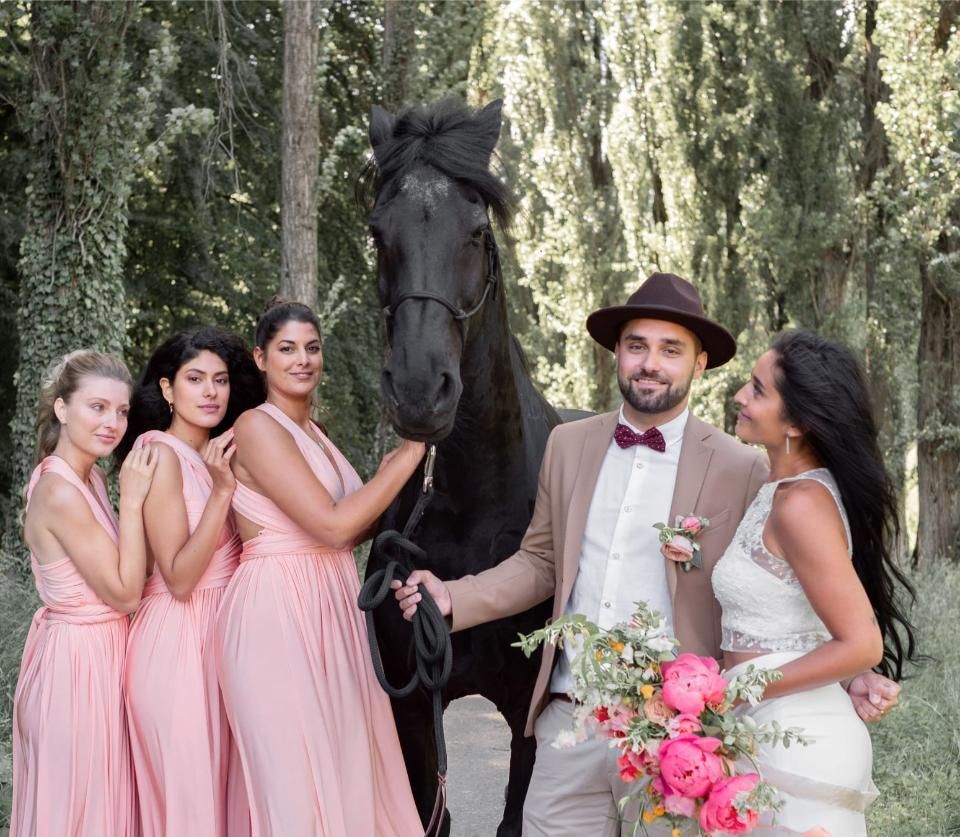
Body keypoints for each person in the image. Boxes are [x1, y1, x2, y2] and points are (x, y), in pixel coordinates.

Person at [393, 273, 901, 837]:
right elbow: (540, 562)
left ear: (699, 363)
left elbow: (790, 580)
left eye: (670, 350)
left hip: (678, 738)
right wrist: (452, 596)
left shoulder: (744, 467)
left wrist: (849, 672)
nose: (650, 364)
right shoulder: (567, 445)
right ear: (617, 352)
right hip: (569, 721)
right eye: (637, 346)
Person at [214, 299, 426, 836]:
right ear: (261, 358)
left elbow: (351, 530)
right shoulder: (256, 427)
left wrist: (397, 484)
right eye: (287, 348)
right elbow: (332, 527)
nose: (302, 359)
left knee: (346, 766)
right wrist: (409, 453)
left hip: (331, 603)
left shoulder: (316, 432)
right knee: (296, 781)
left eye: (312, 347)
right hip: (277, 612)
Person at [712, 329, 919, 835]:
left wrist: (734, 690)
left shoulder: (801, 504)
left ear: (799, 422)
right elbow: (802, 619)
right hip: (767, 728)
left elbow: (862, 644)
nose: (739, 396)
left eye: (758, 389)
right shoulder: (779, 490)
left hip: (798, 743)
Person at [118, 328, 264, 837]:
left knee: (230, 802)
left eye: (220, 380)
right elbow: (179, 578)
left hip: (227, 635)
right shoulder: (159, 454)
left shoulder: (223, 453)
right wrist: (222, 493)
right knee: (190, 804)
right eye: (195, 379)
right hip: (178, 640)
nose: (210, 392)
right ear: (167, 388)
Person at [12, 350, 158, 837]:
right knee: (81, 812)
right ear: (62, 408)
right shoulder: (59, 490)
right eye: (97, 407)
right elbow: (125, 593)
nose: (113, 423)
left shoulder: (89, 476)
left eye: (121, 411)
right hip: (76, 668)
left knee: (104, 809)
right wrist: (133, 500)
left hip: (101, 656)